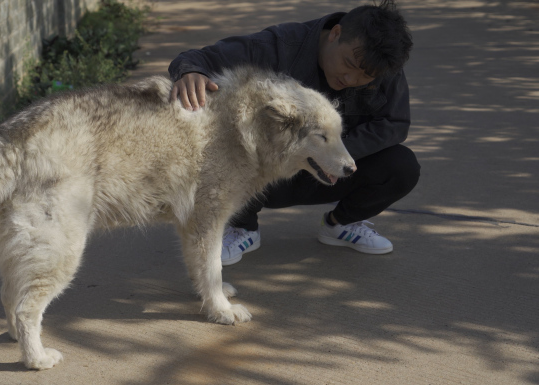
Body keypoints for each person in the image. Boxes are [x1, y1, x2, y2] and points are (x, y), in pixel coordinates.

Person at [168, 0, 420, 265]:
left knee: (402, 167)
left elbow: (395, 123)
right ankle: (243, 228)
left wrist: (328, 152)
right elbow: (197, 58)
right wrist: (191, 72)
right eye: (348, 64)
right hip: (267, 173)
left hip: (330, 169)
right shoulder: (277, 46)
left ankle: (340, 224)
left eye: (364, 77)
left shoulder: (378, 64)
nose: (351, 79)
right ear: (335, 33)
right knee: (225, 143)